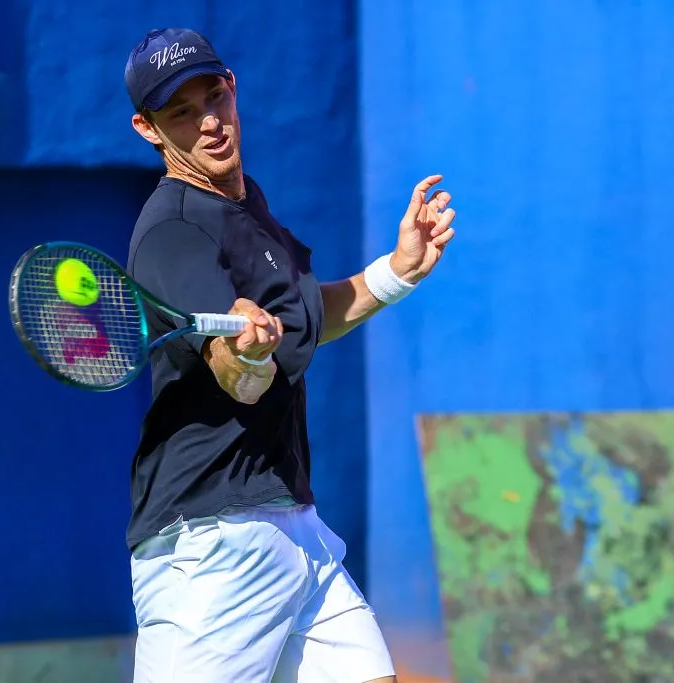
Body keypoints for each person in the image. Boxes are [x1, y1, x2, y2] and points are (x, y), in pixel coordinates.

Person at [121, 28, 456, 683]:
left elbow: (304, 320)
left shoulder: (247, 205)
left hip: (293, 524)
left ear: (232, 87)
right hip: (211, 544)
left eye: (214, 98)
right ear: (148, 129)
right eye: (181, 113)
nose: (209, 123)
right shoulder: (173, 232)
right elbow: (232, 372)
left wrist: (398, 271)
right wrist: (247, 358)